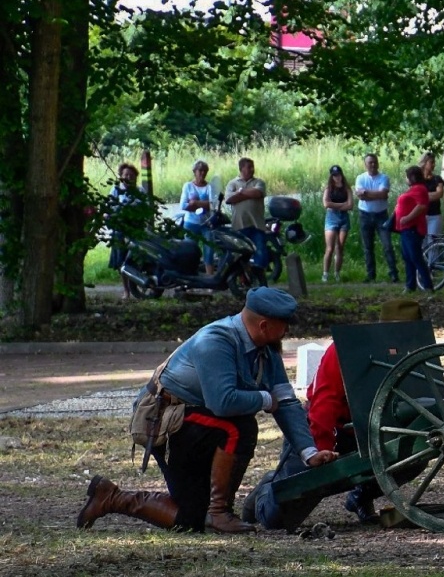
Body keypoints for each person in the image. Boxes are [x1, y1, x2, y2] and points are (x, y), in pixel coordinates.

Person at [75, 287, 337, 534]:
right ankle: (219, 511)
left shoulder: (264, 350)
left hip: (199, 428)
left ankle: (111, 497)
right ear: (264, 326)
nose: (287, 330)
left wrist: (309, 452)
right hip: (168, 424)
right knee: (239, 427)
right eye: (284, 325)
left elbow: (287, 402)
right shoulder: (216, 341)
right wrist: (266, 399)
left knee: (190, 519)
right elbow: (222, 402)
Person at [243, 297, 426, 528]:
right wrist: (320, 450)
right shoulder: (345, 350)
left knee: (414, 455)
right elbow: (323, 402)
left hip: (371, 430)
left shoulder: (418, 351)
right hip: (327, 429)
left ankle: (361, 496)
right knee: (276, 519)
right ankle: (267, 488)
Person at [355, 153, 396, 283]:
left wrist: (367, 193)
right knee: (368, 247)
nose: (372, 164)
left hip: (381, 215)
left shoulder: (384, 177)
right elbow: (360, 196)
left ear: (377, 163)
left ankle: (394, 273)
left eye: (374, 162)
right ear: (365, 164)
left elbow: (383, 195)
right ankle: (371, 275)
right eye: (370, 162)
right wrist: (375, 194)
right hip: (365, 215)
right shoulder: (360, 178)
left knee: (387, 245)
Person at [223, 157, 270, 271]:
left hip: (257, 225)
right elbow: (229, 199)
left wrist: (240, 193)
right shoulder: (232, 183)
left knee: (260, 250)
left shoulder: (258, 182)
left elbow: (258, 193)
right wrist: (249, 194)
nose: (252, 169)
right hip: (239, 225)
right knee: (239, 254)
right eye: (248, 167)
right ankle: (242, 277)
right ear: (241, 169)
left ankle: (260, 275)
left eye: (252, 167)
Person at [107, 162, 145, 299]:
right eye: (125, 175)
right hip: (119, 230)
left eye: (131, 175)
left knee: (135, 259)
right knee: (121, 261)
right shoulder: (116, 190)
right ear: (121, 176)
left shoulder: (140, 191)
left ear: (135, 177)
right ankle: (126, 291)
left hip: (135, 230)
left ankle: (138, 287)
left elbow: (144, 210)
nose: (128, 177)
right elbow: (109, 208)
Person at [393, 165, 433, 292]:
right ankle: (410, 285)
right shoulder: (413, 190)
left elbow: (421, 206)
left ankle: (427, 285)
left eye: (407, 176)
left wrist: (408, 217)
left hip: (413, 228)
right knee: (408, 256)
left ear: (413, 177)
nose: (406, 179)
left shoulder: (420, 189)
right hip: (405, 228)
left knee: (415, 257)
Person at [179, 160, 216, 273]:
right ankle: (188, 277)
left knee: (209, 250)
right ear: (194, 172)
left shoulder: (210, 187)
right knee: (189, 250)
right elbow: (183, 205)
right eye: (200, 170)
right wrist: (204, 203)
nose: (202, 173)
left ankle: (210, 277)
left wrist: (195, 203)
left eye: (205, 171)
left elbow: (212, 205)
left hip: (206, 223)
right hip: (191, 223)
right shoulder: (188, 186)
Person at [321, 164, 353, 283]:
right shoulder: (329, 188)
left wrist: (335, 205)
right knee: (329, 248)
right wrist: (342, 205)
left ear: (341, 174)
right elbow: (326, 204)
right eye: (334, 175)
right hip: (331, 217)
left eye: (338, 175)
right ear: (331, 176)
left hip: (344, 218)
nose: (337, 177)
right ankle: (325, 274)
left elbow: (350, 205)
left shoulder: (346, 187)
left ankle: (337, 273)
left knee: (339, 247)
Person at [420, 151, 444, 238]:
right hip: (420, 215)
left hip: (434, 216)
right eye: (431, 162)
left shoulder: (437, 179)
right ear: (424, 163)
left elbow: (439, 194)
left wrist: (422, 196)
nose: (433, 164)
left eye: (434, 162)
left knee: (433, 244)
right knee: (421, 245)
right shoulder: (417, 179)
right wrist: (430, 195)